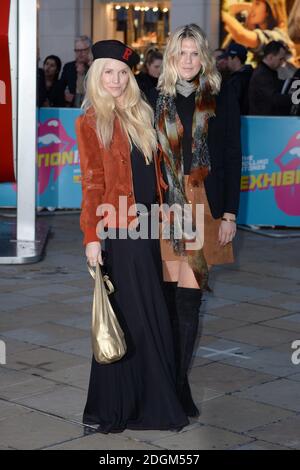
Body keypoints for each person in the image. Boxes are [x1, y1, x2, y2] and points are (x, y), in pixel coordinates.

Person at [76, 39, 189, 433]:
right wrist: (91, 236)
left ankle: (146, 402)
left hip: (150, 225)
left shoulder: (142, 112)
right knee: (130, 316)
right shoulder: (91, 120)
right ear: (96, 75)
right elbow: (92, 182)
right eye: (108, 72)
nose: (116, 79)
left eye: (122, 73)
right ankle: (127, 406)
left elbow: (158, 174)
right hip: (120, 229)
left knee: (145, 312)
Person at [152, 24, 242, 417]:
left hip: (204, 204)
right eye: (181, 53)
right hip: (165, 207)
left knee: (190, 302)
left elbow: (233, 155)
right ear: (171, 57)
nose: (188, 60)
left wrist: (230, 213)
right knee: (169, 301)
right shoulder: (155, 100)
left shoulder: (221, 97)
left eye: (194, 53)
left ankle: (178, 384)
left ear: (203, 57)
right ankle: (168, 380)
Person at [222, 0, 296, 66]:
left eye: (257, 4)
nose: (252, 8)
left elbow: (241, 35)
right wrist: (250, 7)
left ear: (269, 10)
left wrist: (217, 12)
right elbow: (232, 9)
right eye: (252, 3)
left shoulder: (278, 36)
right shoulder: (257, 26)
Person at [248, 40, 292, 114]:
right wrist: (294, 98)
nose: (282, 63)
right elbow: (274, 98)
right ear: (270, 57)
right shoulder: (261, 74)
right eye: (281, 59)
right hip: (261, 122)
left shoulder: (269, 72)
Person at [60, 35, 93, 107]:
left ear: (89, 50)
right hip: (72, 109)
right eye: (77, 50)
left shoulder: (95, 67)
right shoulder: (69, 67)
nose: (79, 54)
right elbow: (60, 88)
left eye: (82, 50)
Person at [225, 43, 253, 114]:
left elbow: (232, 105)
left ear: (236, 58)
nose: (226, 61)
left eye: (228, 58)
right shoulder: (250, 74)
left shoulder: (238, 80)